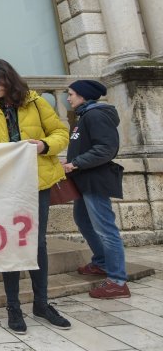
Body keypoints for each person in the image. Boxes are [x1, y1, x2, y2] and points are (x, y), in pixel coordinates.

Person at [0, 59, 71, 334]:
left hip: (36, 182)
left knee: (37, 244)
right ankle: (14, 307)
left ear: (8, 78)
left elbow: (60, 132)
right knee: (9, 243)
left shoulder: (35, 102)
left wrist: (44, 145)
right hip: (2, 185)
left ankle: (42, 304)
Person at [62, 80, 129, 299]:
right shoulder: (84, 116)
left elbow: (106, 149)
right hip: (84, 179)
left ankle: (118, 282)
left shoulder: (96, 115)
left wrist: (76, 163)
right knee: (82, 219)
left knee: (105, 229)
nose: (68, 98)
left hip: (95, 180)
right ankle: (101, 262)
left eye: (71, 94)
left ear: (83, 95)